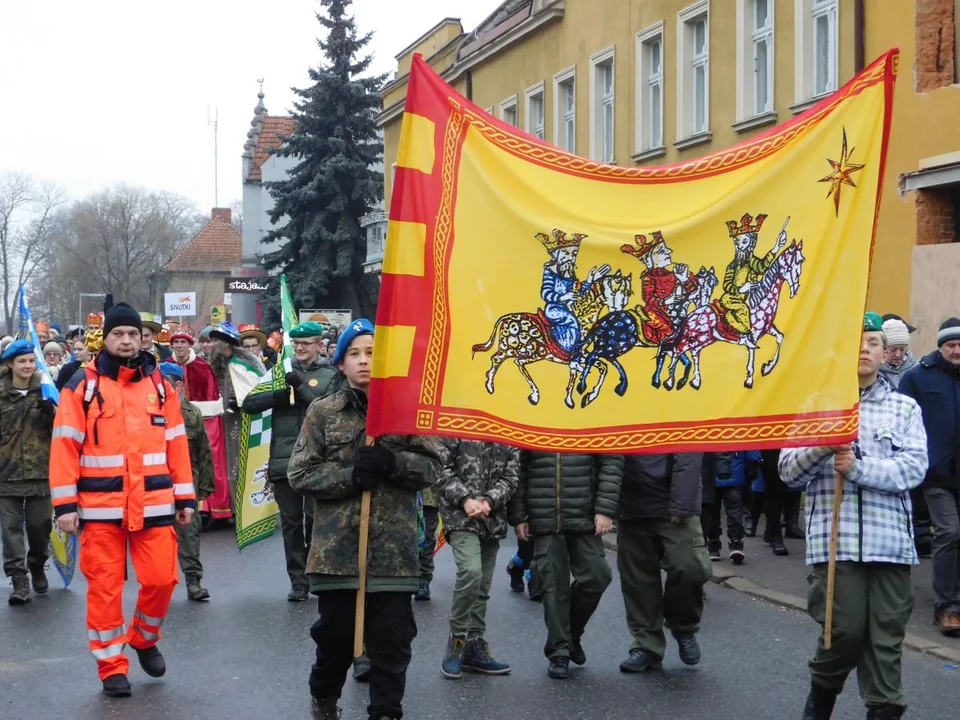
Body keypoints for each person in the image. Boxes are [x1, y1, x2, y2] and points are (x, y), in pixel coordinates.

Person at [287, 318, 442, 720]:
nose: (363, 361)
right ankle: (323, 697)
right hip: (337, 554)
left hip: (394, 554)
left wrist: (394, 462)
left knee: (391, 642)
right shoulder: (323, 412)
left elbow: (433, 469)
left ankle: (386, 711)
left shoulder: (408, 411)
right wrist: (349, 477)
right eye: (353, 354)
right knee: (335, 639)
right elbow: (300, 474)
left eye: (372, 352)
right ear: (340, 364)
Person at [780, 311, 927, 720]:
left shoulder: (905, 408)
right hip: (835, 541)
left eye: (873, 343)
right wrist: (824, 444)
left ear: (886, 353)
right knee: (841, 632)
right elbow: (788, 472)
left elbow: (913, 470)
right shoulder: (815, 405)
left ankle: (885, 709)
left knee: (886, 636)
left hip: (891, 543)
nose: (864, 348)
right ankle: (821, 695)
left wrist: (859, 469)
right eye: (855, 342)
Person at [50, 302, 196, 698]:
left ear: (142, 338)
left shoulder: (161, 386)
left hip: (154, 505)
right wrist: (64, 507)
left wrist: (185, 496)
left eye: (133, 333)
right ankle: (111, 665)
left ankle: (144, 638)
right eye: (119, 334)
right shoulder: (81, 385)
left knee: (162, 580)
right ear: (106, 339)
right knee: (105, 589)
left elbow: (177, 446)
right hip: (99, 510)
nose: (127, 340)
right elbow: (64, 447)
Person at [241, 321, 337, 602]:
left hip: (318, 461)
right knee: (292, 524)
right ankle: (298, 581)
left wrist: (301, 390)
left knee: (315, 520)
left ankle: (316, 573)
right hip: (284, 461)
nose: (300, 348)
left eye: (306, 343)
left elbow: (327, 412)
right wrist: (280, 395)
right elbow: (249, 404)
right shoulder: (279, 371)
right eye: (296, 344)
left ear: (320, 345)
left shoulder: (330, 376)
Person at [509, 451, 622, 679]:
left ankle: (571, 634)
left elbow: (611, 461)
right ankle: (559, 651)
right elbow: (518, 465)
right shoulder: (532, 415)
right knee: (552, 586)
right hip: (544, 516)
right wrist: (519, 515)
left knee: (598, 576)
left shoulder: (594, 415)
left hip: (584, 514)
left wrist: (605, 509)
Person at [617, 452, 710, 672]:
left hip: (672, 503)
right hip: (631, 502)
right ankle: (646, 645)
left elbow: (689, 452)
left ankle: (683, 626)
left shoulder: (676, 414)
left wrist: (682, 502)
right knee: (637, 580)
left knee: (690, 568)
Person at [436, 439, 519, 680]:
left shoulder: (506, 428)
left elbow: (512, 476)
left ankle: (474, 643)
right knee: (471, 573)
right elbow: (442, 469)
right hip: (460, 517)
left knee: (482, 585)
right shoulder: (455, 423)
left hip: (492, 518)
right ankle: (457, 640)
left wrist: (489, 501)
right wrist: (466, 500)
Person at [899, 316, 960, 636]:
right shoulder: (919, 377)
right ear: (941, 346)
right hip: (936, 473)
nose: (957, 350)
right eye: (951, 344)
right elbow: (901, 418)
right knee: (949, 531)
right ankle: (947, 606)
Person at [0, 341, 55, 605]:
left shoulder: (45, 390)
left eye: (31, 361)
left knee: (39, 526)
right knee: (10, 530)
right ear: (10, 364)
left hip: (41, 471)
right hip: (5, 473)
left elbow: (66, 428)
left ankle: (36, 563)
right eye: (22, 361)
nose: (27, 366)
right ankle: (18, 579)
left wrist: (52, 413)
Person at [159, 362, 214, 602]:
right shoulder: (147, 411)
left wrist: (203, 488)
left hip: (186, 484)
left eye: (165, 382)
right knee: (157, 539)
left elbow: (204, 452)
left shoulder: (192, 414)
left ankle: (193, 581)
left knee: (189, 535)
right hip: (155, 485)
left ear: (178, 384)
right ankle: (159, 583)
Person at [170, 325, 231, 521]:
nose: (179, 346)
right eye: (176, 342)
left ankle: (210, 506)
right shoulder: (166, 365)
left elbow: (212, 401)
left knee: (207, 459)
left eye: (183, 342)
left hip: (205, 421)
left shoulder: (204, 368)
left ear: (189, 344)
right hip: (174, 422)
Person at [209, 322, 265, 513]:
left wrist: (240, 402)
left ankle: (247, 507)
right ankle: (234, 506)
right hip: (226, 423)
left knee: (244, 464)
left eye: (216, 340)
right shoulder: (223, 365)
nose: (212, 344)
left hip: (245, 423)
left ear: (226, 344)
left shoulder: (241, 365)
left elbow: (254, 389)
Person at [717, 213, 787, 345]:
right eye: (737, 242)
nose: (739, 245)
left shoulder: (751, 261)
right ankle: (745, 336)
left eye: (744, 242)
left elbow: (762, 267)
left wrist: (776, 247)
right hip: (732, 298)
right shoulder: (732, 265)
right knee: (743, 310)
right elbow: (727, 285)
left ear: (751, 243)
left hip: (748, 298)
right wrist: (742, 288)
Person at [620, 231, 698, 345]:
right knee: (668, 332)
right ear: (650, 259)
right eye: (662, 251)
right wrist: (666, 301)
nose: (669, 251)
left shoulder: (679, 271)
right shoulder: (649, 277)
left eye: (666, 249)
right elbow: (648, 298)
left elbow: (694, 292)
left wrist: (684, 280)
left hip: (680, 312)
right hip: (656, 311)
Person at [701, 452, 748, 564]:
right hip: (734, 468)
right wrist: (754, 460)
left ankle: (713, 543)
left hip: (710, 471)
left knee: (712, 509)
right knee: (734, 509)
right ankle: (735, 542)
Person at [416, 485, 440, 601]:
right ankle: (401, 581)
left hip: (428, 494)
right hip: (401, 493)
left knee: (427, 538)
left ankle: (423, 580)